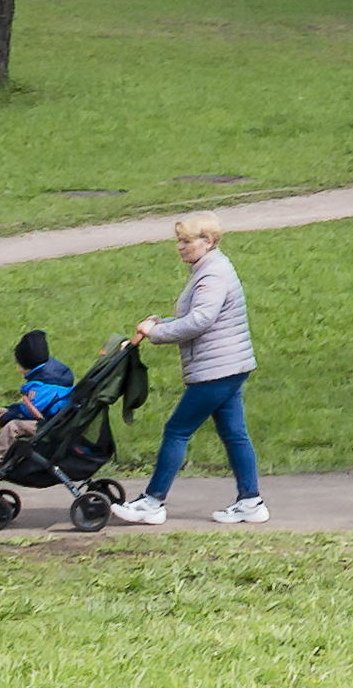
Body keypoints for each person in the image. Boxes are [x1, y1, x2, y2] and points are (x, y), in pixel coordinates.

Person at [111, 214, 261, 525]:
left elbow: (200, 321)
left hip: (217, 370)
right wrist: (161, 323)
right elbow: (199, 316)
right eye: (178, 241)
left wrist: (155, 334)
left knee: (177, 430)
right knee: (234, 434)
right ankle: (251, 502)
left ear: (208, 241)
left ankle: (152, 502)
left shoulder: (213, 275)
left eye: (186, 241)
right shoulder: (209, 268)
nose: (179, 247)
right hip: (230, 366)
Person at [0, 327, 76, 484]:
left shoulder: (42, 386)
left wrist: (4, 419)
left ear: (24, 366)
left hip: (55, 428)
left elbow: (28, 410)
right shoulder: (53, 378)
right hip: (60, 423)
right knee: (15, 421)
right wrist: (7, 411)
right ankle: (1, 459)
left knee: (14, 426)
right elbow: (32, 408)